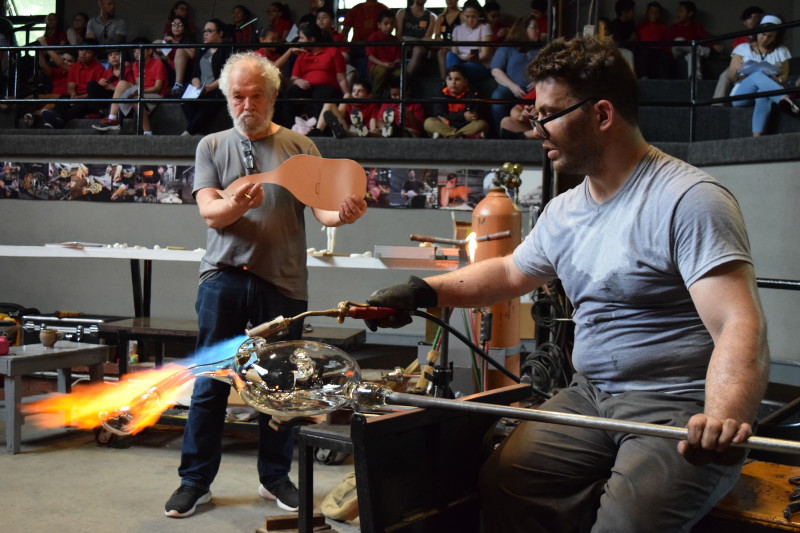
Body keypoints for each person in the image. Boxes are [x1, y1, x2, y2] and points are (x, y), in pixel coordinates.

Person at [365, 35, 768, 532]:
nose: (536, 129)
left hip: (675, 406)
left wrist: (724, 416)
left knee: (625, 525)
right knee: (505, 480)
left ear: (601, 115)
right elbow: (512, 271)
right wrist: (426, 291)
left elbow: (737, 319)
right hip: (592, 394)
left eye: (548, 115)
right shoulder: (566, 209)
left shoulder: (689, 200)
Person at [164, 51, 367, 519]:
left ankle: (275, 478)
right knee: (211, 384)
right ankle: (195, 482)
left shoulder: (302, 148)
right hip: (223, 280)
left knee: (281, 389)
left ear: (273, 97)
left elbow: (324, 212)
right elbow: (211, 213)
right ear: (227, 97)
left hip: (283, 283)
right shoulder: (211, 146)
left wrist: (346, 214)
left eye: (257, 95)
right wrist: (234, 204)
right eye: (238, 96)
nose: (247, 104)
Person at [278, 21, 350, 131]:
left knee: (322, 94)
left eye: (302, 38)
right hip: (306, 87)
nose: (299, 41)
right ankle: (290, 129)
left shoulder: (332, 52)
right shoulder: (301, 54)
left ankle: (317, 130)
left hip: (327, 88)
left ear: (312, 39)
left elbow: (341, 78)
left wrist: (347, 96)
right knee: (289, 95)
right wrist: (298, 82)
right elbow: (293, 78)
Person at [727, 14, 792, 137]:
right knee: (758, 74)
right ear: (757, 32)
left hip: (766, 89)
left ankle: (757, 137)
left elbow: (785, 76)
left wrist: (775, 79)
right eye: (763, 34)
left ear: (776, 37)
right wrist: (737, 69)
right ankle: (785, 100)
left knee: (763, 95)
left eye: (770, 36)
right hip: (742, 94)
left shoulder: (781, 51)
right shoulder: (742, 48)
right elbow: (730, 78)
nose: (765, 39)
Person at [93, 37, 168, 134]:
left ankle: (147, 131)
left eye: (139, 50)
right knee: (122, 83)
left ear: (149, 51)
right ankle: (112, 118)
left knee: (134, 97)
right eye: (134, 51)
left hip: (155, 94)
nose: (136, 53)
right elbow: (137, 84)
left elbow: (157, 88)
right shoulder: (136, 65)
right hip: (141, 91)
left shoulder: (158, 64)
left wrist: (138, 92)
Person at [180, 19, 232, 136]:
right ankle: (199, 131)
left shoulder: (226, 49)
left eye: (209, 31)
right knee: (184, 99)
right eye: (204, 31)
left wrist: (210, 87)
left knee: (210, 100)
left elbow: (228, 74)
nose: (205, 34)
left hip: (217, 88)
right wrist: (197, 85)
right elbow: (195, 74)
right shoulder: (203, 50)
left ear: (220, 33)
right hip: (202, 88)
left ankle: (188, 132)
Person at [489, 16, 538, 136]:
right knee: (497, 96)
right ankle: (499, 134)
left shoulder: (541, 49)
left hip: (536, 90)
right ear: (523, 30)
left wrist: (539, 81)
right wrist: (512, 86)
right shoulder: (507, 48)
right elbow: (495, 70)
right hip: (512, 88)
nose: (538, 31)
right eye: (534, 28)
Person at [41, 39, 105, 129]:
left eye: (88, 52)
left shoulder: (99, 68)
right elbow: (70, 86)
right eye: (81, 50)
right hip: (76, 96)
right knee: (63, 98)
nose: (83, 54)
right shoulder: (75, 66)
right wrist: (73, 94)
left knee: (82, 105)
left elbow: (95, 92)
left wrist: (78, 98)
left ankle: (55, 121)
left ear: (94, 55)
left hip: (89, 99)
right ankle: (54, 119)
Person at [712, 6, 764, 103]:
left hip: (757, 65)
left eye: (756, 17)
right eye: (749, 17)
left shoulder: (763, 37)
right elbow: (736, 59)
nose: (753, 20)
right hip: (741, 65)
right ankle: (717, 103)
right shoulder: (738, 39)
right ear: (744, 21)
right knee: (725, 75)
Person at [423, 64, 489, 139]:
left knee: (482, 124)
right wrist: (463, 116)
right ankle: (460, 137)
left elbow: (473, 116)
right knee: (428, 122)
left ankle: (448, 136)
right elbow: (439, 114)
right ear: (446, 81)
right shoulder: (441, 94)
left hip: (465, 127)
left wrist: (449, 120)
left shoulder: (473, 94)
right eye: (450, 79)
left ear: (465, 82)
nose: (453, 83)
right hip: (447, 127)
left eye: (457, 79)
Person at [665, 1, 718, 79]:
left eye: (681, 11)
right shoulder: (674, 28)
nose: (678, 14)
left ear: (690, 13)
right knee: (679, 40)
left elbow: (706, 39)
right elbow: (667, 43)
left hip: (690, 52)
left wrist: (713, 45)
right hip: (676, 53)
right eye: (678, 11)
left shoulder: (696, 28)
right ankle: (706, 52)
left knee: (693, 54)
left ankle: (695, 79)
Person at [446, 0, 493, 82]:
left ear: (479, 14)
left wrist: (468, 59)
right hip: (461, 62)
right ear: (462, 15)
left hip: (479, 65)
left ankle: (449, 82)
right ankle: (455, 79)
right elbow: (455, 53)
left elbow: (485, 54)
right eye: (467, 16)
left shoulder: (485, 27)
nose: (470, 20)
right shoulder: (457, 29)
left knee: (457, 69)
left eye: (473, 17)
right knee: (450, 55)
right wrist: (465, 58)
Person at [341, 0, 388, 78]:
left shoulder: (383, 8)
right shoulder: (356, 9)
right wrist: (345, 45)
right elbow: (345, 30)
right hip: (356, 45)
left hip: (375, 46)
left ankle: (361, 79)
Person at [155, 14, 197, 97]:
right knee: (152, 47)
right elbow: (165, 57)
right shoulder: (168, 40)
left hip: (186, 71)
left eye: (179, 25)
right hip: (170, 71)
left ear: (184, 27)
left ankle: (178, 85)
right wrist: (160, 44)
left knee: (180, 50)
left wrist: (175, 42)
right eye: (174, 24)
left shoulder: (189, 39)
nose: (176, 27)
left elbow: (192, 55)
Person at [395, 0, 437, 78]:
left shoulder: (431, 17)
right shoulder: (402, 12)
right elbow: (398, 35)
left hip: (420, 45)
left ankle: (404, 79)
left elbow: (427, 38)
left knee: (418, 50)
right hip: (404, 44)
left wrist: (413, 43)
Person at [365, 10, 401, 98]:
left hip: (391, 66)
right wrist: (384, 64)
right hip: (376, 66)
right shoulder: (374, 37)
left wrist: (395, 63)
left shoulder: (395, 40)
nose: (389, 26)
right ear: (379, 25)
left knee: (401, 74)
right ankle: (375, 97)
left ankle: (397, 98)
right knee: (382, 71)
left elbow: (399, 57)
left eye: (392, 24)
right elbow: (370, 56)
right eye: (386, 23)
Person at [635, 1, 670, 79]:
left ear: (660, 14)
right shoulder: (640, 27)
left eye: (657, 13)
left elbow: (667, 43)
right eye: (651, 12)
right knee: (644, 52)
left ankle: (666, 80)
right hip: (645, 50)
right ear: (647, 13)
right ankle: (644, 77)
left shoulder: (663, 28)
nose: (654, 15)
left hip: (658, 51)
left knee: (665, 56)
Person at [433, 0, 461, 77]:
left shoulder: (462, 15)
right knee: (441, 52)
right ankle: (444, 80)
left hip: (458, 44)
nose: (450, 1)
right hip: (445, 45)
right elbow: (437, 36)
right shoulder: (441, 17)